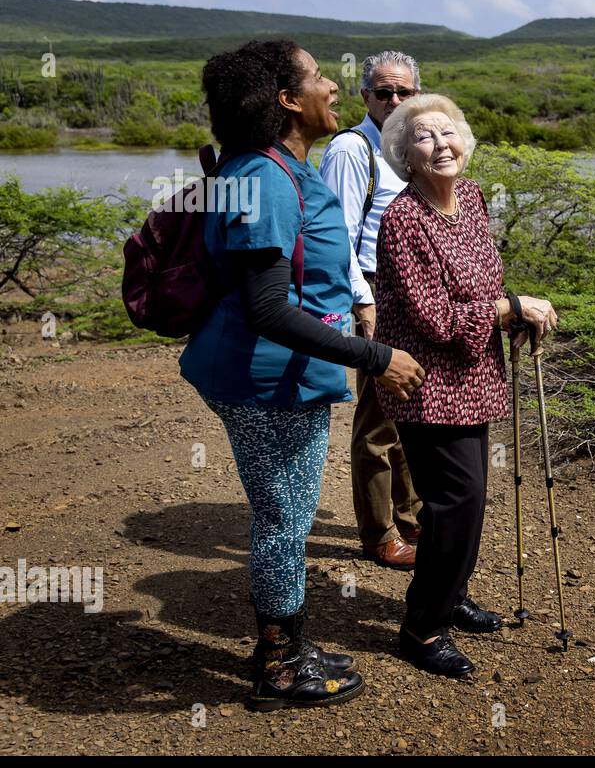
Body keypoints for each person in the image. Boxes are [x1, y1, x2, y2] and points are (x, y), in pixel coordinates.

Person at [180, 39, 424, 709]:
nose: (334, 86)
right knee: (283, 520)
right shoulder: (265, 178)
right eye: (318, 76)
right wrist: (376, 358)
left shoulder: (280, 166)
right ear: (287, 99)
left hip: (281, 377)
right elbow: (265, 308)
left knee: (281, 516)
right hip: (267, 383)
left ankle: (289, 644)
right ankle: (281, 667)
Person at [374, 93, 559, 677]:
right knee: (457, 502)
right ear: (406, 154)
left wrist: (516, 315)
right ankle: (421, 630)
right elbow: (433, 317)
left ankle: (449, 596)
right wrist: (509, 309)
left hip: (475, 373)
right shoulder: (405, 220)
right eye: (423, 138)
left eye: (447, 132)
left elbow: (486, 284)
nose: (439, 145)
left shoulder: (473, 198)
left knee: (466, 502)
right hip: (426, 381)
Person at [319, 50, 423, 570]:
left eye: (404, 92)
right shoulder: (351, 149)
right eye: (384, 92)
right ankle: (379, 532)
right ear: (366, 97)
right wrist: (364, 303)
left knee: (411, 410)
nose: (395, 100)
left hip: (413, 295)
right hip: (375, 294)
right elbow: (334, 238)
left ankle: (410, 515)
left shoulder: (408, 149)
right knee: (380, 418)